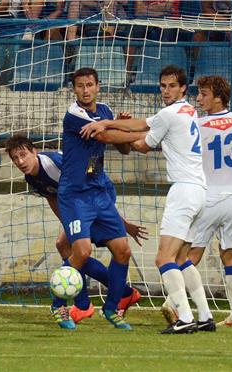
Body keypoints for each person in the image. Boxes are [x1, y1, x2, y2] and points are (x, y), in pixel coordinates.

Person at [81, 65, 206, 334]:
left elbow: (141, 142)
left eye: (172, 86)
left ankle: (184, 318)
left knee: (164, 259)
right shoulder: (188, 111)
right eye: (163, 86)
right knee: (182, 258)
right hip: (199, 190)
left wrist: (105, 126)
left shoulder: (170, 113)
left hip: (184, 191)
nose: (166, 91)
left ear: (184, 88)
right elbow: (145, 128)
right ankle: (204, 316)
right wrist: (118, 126)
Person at [4, 134, 147, 329]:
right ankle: (106, 298)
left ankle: (87, 303)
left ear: (34, 152)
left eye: (23, 155)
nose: (20, 161)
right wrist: (69, 225)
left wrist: (123, 223)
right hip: (78, 202)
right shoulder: (31, 177)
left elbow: (92, 176)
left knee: (102, 249)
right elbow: (53, 198)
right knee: (65, 245)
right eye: (15, 158)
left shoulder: (55, 164)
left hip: (98, 191)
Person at [57, 67, 145, 330]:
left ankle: (112, 308)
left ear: (98, 86)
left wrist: (118, 124)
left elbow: (124, 150)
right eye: (80, 86)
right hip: (75, 195)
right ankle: (59, 306)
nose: (85, 90)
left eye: (90, 85)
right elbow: (104, 136)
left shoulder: (104, 111)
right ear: (74, 89)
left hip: (98, 192)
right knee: (81, 252)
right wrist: (141, 134)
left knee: (123, 250)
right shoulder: (74, 114)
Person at [178, 75, 232, 328]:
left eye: (203, 94)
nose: (199, 98)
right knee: (229, 254)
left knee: (190, 253)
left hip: (208, 198)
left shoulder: (198, 125)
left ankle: (175, 302)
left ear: (218, 97)